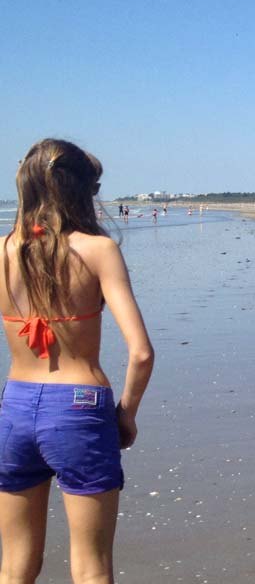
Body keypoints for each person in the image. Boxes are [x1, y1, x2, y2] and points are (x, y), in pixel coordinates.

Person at [0, 139, 154, 583]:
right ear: (80, 191)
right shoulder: (96, 250)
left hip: (14, 408)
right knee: (90, 568)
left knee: (14, 568)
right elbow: (141, 353)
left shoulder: (3, 250)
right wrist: (126, 413)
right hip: (79, 408)